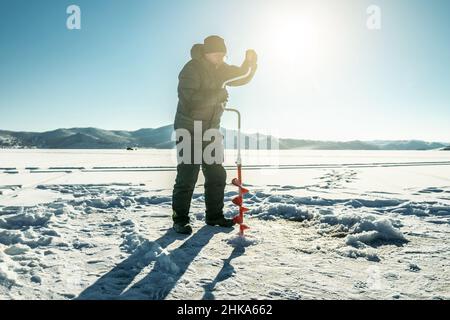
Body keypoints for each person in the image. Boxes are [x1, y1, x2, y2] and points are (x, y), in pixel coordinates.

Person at [172, 35, 257, 234]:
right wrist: (216, 96)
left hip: (211, 130)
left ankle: (214, 216)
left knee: (216, 174)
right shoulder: (191, 69)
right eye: (216, 54)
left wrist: (250, 63)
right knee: (188, 175)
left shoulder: (221, 70)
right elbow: (189, 100)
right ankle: (180, 219)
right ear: (207, 52)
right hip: (189, 129)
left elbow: (241, 76)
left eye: (223, 55)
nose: (220, 58)